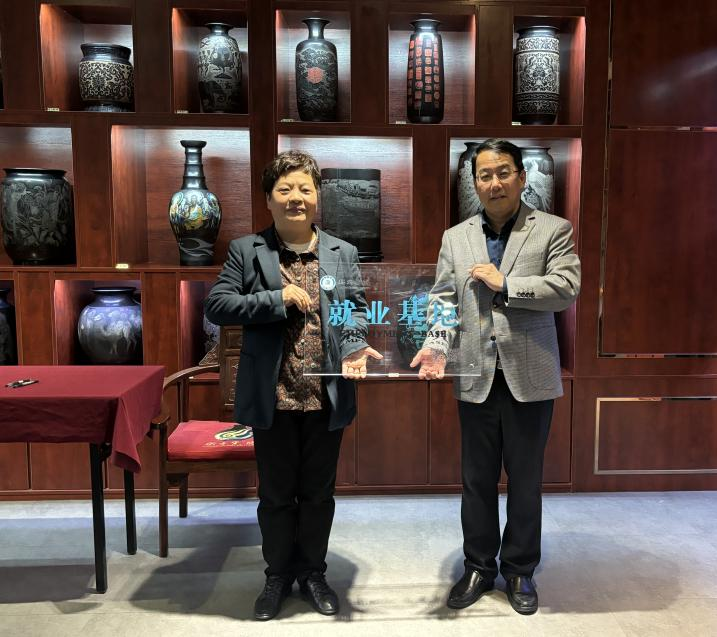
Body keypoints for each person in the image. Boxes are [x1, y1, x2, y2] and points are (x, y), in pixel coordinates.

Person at [205, 150, 381, 621]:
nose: (295, 198)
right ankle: (277, 576)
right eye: (285, 190)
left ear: (317, 196)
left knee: (319, 495)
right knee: (276, 496)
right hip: (274, 396)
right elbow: (217, 305)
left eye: (305, 188)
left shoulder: (342, 252)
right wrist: (275, 298)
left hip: (326, 396)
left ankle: (314, 573)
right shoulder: (247, 250)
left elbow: (354, 310)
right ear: (269, 199)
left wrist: (354, 346)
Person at [411, 138, 580, 615]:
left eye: (503, 172)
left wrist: (505, 284)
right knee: (476, 480)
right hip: (476, 373)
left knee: (525, 480)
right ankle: (479, 566)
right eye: (484, 175)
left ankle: (520, 569)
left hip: (530, 374)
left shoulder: (553, 229)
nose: (494, 183)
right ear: (475, 183)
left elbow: (566, 287)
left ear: (521, 178)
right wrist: (437, 344)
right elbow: (443, 299)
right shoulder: (455, 237)